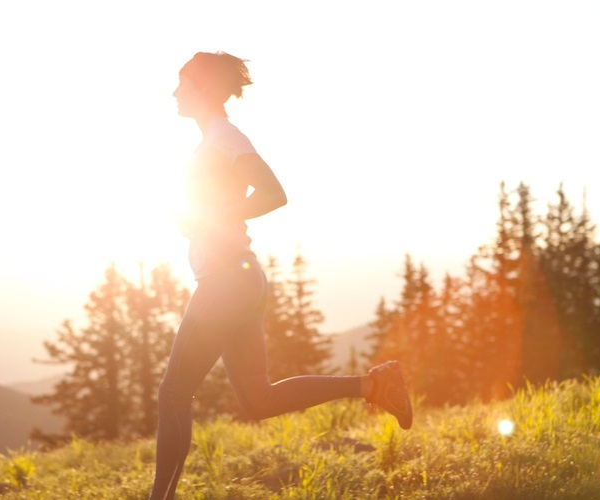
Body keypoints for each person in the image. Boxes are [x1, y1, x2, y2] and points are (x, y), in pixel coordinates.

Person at [149, 51, 412, 500]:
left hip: (227, 282)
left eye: (182, 83)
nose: (174, 92)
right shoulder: (209, 143)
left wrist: (214, 218)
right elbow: (212, 208)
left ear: (205, 89)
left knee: (173, 394)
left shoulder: (225, 137)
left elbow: (273, 193)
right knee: (259, 400)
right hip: (240, 280)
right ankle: (374, 384)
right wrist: (197, 218)